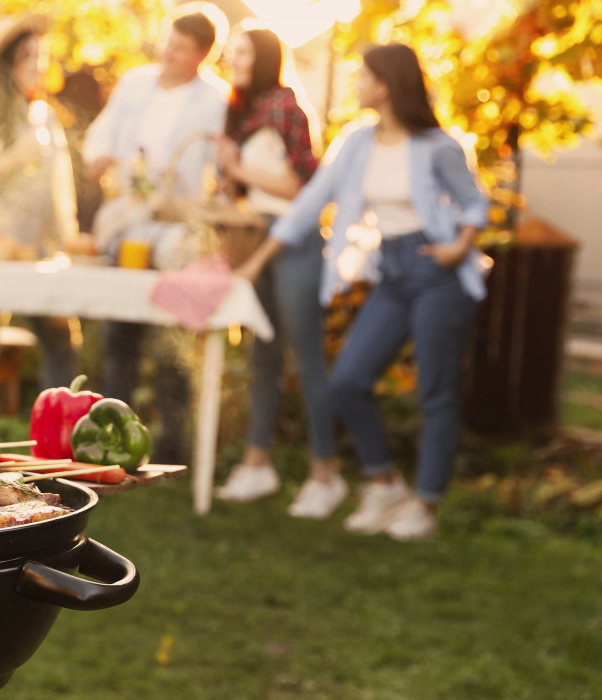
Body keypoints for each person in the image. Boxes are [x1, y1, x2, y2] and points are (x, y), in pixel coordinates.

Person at [237, 42, 490, 541]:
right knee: (347, 380)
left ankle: (426, 503)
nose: (355, 81)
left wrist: (459, 247)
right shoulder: (356, 142)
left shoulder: (437, 145)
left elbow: (473, 204)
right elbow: (310, 203)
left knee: (435, 394)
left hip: (437, 275)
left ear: (386, 84)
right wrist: (257, 262)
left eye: (363, 74)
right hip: (393, 273)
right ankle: (385, 483)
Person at [209, 26, 347, 518]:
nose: (233, 57)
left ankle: (325, 473)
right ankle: (256, 463)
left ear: (265, 57)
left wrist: (239, 170)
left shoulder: (284, 107)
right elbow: (248, 194)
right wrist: (228, 175)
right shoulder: (243, 113)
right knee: (263, 357)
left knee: (306, 359)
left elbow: (298, 189)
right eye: (232, 51)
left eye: (243, 51)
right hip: (256, 240)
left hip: (296, 243)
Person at [80, 4, 228, 462]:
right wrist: (99, 156)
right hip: (126, 220)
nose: (169, 52)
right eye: (169, 41)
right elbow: (103, 132)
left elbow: (220, 168)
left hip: (175, 228)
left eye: (181, 48)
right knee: (119, 330)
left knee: (171, 336)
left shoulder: (215, 100)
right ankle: (110, 435)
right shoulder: (134, 83)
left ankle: (171, 441)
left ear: (202, 55)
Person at [0, 13, 80, 416]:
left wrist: (67, 239)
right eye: (26, 56)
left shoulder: (44, 116)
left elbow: (59, 189)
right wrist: (10, 160)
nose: (36, 66)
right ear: (5, 62)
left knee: (62, 342)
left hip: (35, 255)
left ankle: (61, 434)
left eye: (41, 57)